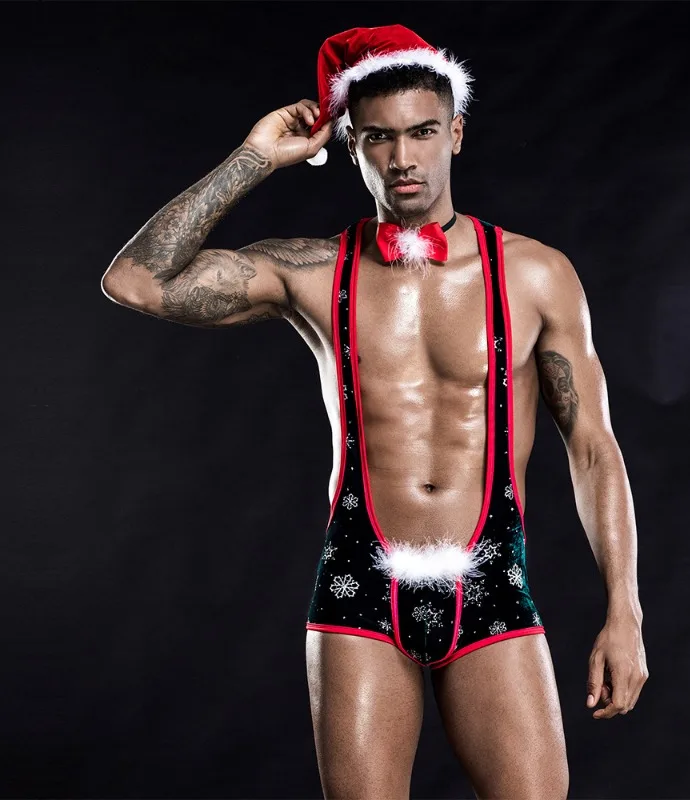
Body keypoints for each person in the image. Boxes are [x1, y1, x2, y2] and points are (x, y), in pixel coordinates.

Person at [101, 23, 648, 800]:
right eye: (379, 138)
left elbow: (593, 447)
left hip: (490, 580)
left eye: (423, 131)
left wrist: (624, 612)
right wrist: (256, 156)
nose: (403, 158)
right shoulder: (313, 271)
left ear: (456, 133)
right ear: (350, 144)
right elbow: (136, 281)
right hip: (359, 585)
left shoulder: (535, 274)